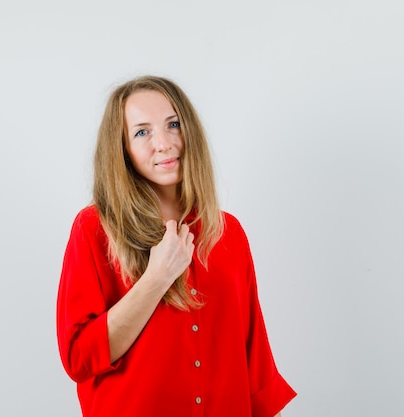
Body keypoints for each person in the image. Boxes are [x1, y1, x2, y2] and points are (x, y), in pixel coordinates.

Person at [56, 75, 296, 417]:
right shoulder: (93, 229)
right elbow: (79, 358)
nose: (164, 143)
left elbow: (253, 355)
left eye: (173, 124)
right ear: (122, 148)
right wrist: (156, 279)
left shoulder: (228, 233)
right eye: (142, 132)